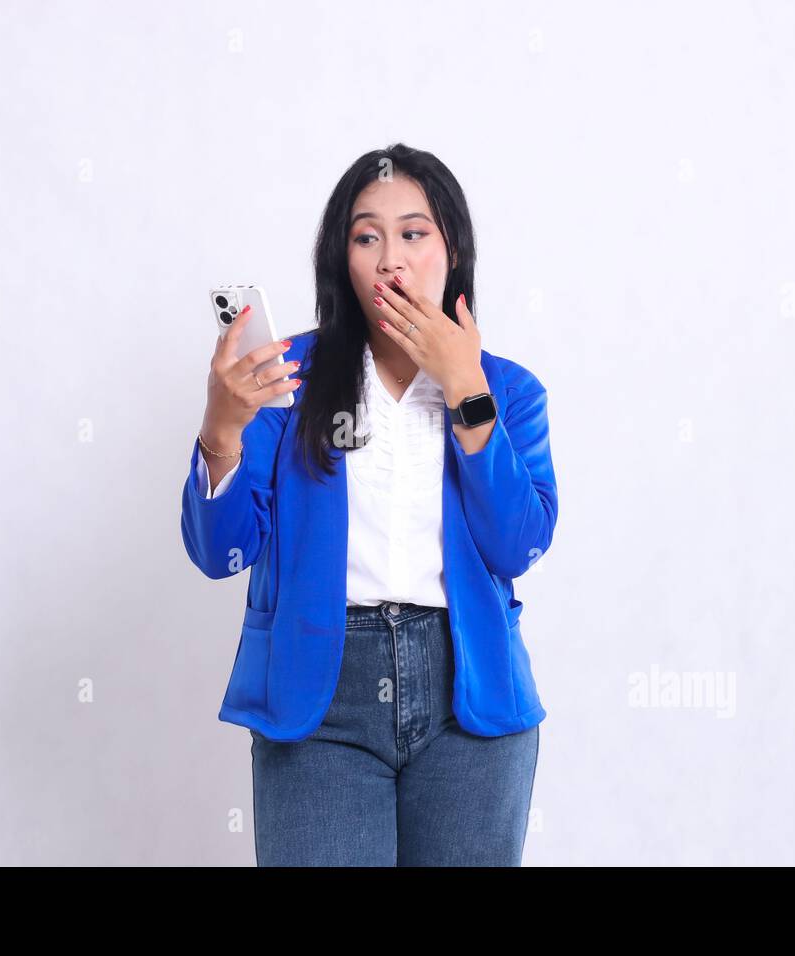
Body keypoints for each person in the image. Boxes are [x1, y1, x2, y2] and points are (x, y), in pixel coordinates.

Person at [181, 143, 558, 866]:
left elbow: (520, 544)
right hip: (320, 703)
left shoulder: (510, 392)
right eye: (366, 236)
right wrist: (223, 429)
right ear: (340, 259)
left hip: (469, 700)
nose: (391, 259)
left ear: (453, 252)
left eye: (414, 234)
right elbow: (216, 553)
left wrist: (464, 390)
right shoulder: (283, 380)